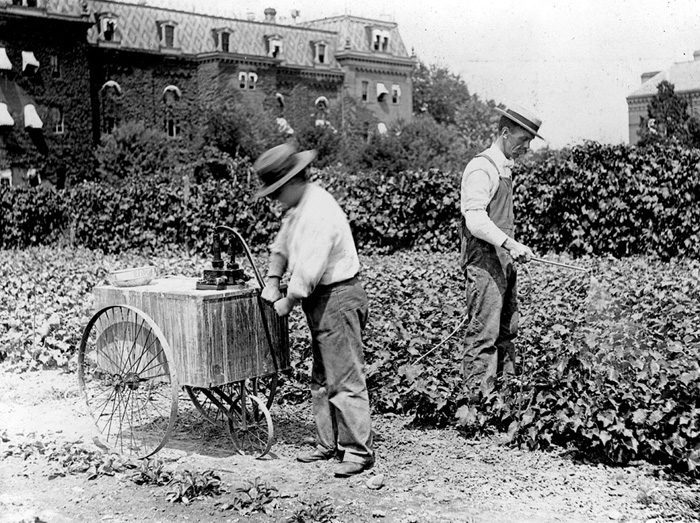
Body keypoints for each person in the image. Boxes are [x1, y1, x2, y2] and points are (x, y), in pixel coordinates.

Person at [253, 142, 374, 478]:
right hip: (322, 300)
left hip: (338, 295)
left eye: (276, 192)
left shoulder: (318, 209)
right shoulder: (297, 208)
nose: (275, 200)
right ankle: (328, 443)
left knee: (345, 376)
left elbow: (308, 270)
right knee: (322, 377)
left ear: (292, 183)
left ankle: (358, 452)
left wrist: (287, 302)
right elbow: (282, 245)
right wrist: (272, 278)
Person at [459, 104, 543, 401]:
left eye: (530, 142)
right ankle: (477, 407)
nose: (526, 148)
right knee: (484, 335)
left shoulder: (504, 168)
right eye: (523, 140)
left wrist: (510, 250)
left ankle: (505, 401)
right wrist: (510, 243)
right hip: (484, 263)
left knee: (508, 331)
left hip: (504, 263)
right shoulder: (482, 167)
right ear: (505, 133)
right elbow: (476, 219)